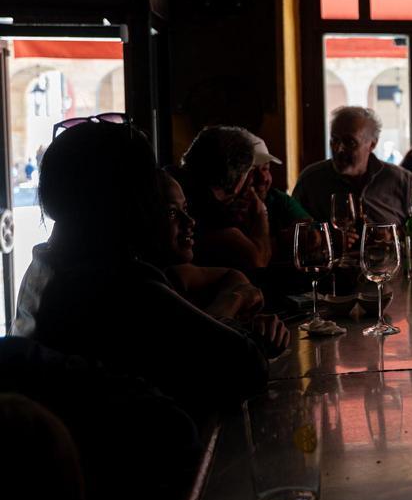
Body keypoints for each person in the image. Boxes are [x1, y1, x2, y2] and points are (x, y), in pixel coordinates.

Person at [13, 120, 276, 416]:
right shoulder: (116, 283)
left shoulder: (45, 265)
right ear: (123, 197)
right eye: (146, 187)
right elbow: (247, 364)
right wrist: (225, 309)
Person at [292, 106, 412, 238]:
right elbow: (290, 230)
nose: (339, 149)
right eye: (334, 140)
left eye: (350, 142)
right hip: (327, 276)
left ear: (372, 145)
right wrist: (324, 236)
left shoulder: (400, 180)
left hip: (390, 275)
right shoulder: (311, 180)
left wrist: (399, 234)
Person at [148, 170, 269, 322]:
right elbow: (204, 337)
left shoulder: (173, 271)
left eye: (185, 209)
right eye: (172, 213)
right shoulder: (143, 284)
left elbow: (232, 275)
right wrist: (236, 299)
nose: (190, 221)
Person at [174, 126, 273, 271]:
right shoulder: (207, 207)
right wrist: (261, 213)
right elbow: (258, 261)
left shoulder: (170, 179)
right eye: (249, 173)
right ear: (238, 180)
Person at [245, 132, 311, 258]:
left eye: (265, 169)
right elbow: (254, 259)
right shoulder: (226, 209)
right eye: (252, 171)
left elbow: (313, 234)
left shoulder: (278, 199)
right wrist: (282, 241)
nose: (263, 178)